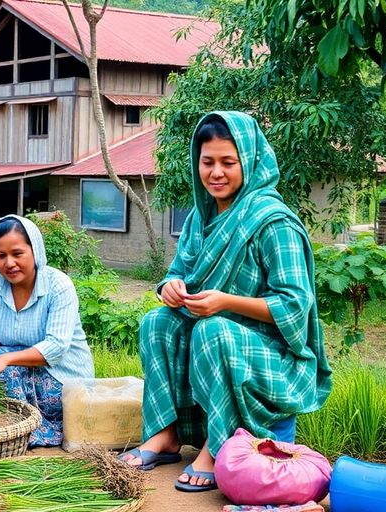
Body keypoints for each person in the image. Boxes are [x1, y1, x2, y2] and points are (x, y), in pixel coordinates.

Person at [119, 112, 332, 493]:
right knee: (158, 322)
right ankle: (165, 435)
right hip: (214, 335)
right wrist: (168, 288)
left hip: (271, 353)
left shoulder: (272, 222)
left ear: (248, 161)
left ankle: (217, 449)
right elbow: (177, 271)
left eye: (228, 162)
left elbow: (295, 307)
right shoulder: (200, 220)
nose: (216, 172)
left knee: (213, 329)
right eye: (207, 162)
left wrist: (226, 303)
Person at [0, 214, 94, 447]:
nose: (9, 263)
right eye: (1, 256)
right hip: (19, 369)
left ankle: (30, 429)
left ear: (35, 251)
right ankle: (4, 421)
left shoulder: (58, 285)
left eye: (17, 254)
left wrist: (4, 359)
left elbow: (56, 347)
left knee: (3, 370)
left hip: (62, 381)